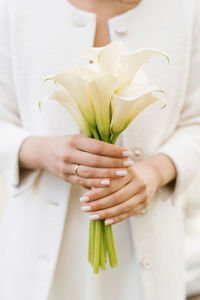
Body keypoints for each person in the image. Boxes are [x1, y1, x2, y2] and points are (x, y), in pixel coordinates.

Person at [0, 0, 200, 299]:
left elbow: (195, 122)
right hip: (37, 252)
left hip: (147, 255)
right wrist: (42, 150)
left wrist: (156, 170)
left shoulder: (187, 9)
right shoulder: (15, 7)